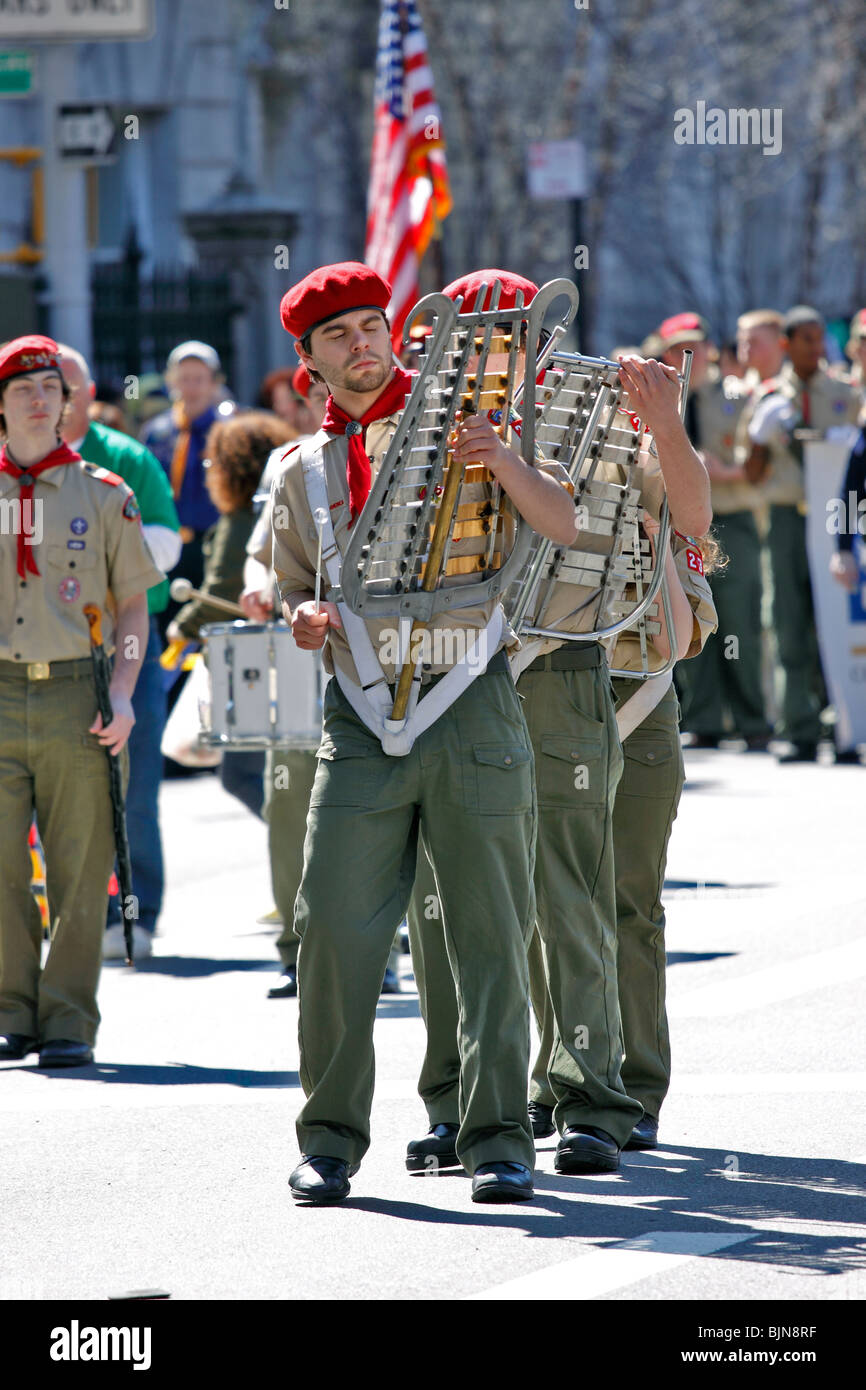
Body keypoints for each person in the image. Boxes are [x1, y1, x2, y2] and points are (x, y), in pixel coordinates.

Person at [271, 261, 577, 1206]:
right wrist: (301, 618)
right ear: (310, 361)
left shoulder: (467, 421)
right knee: (331, 927)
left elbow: (562, 522)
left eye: (372, 326)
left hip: (468, 698)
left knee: (491, 934)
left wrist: (503, 458)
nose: (361, 347)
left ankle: (497, 1141)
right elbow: (291, 588)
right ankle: (329, 1139)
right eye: (339, 337)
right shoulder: (301, 470)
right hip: (358, 713)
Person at [406, 292, 713, 1178]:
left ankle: (625, 1091)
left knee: (617, 902)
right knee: (502, 907)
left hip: (627, 685)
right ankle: (538, 1086)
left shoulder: (608, 416)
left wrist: (666, 424)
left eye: (523, 335)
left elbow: (692, 521)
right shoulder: (437, 429)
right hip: (495, 685)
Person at [0, 335, 163, 1066]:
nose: (40, 400)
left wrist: (124, 694)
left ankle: (67, 1018)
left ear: (68, 402)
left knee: (78, 864)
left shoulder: (105, 494)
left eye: (51, 389)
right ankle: (12, 1011)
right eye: (23, 389)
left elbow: (134, 605)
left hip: (78, 693)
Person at [56, 345, 182, 962]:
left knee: (132, 783)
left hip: (127, 639)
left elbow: (164, 544)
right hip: (42, 649)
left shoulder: (126, 457)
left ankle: (136, 912)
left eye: (64, 387)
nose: (51, 399)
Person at [743, 305, 859, 762]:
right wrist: (758, 436)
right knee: (788, 620)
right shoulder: (770, 396)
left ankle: (842, 723)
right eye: (806, 339)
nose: (817, 346)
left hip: (833, 516)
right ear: (788, 345)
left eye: (819, 338)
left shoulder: (844, 394)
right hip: (788, 516)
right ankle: (799, 726)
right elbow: (752, 474)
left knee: (833, 619)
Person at [167, 411, 293, 817]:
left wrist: (177, 630)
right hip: (282, 659)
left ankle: (301, 853)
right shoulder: (272, 511)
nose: (209, 471)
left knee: (243, 774)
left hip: (255, 663)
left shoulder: (241, 521)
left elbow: (220, 590)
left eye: (212, 463)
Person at [658, 313, 770, 749]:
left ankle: (752, 719)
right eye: (678, 349)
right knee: (690, 615)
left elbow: (761, 464)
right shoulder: (666, 401)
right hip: (683, 525)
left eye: (696, 347)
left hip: (732, 518)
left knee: (739, 620)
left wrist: (722, 472)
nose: (689, 357)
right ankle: (704, 717)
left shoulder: (738, 397)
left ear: (710, 350)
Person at [141, 341, 235, 629]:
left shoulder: (230, 430)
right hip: (170, 544)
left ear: (214, 383)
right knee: (169, 623)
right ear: (171, 382)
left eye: (199, 379)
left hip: (215, 545)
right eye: (183, 379)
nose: (191, 388)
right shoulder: (156, 432)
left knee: (213, 622)